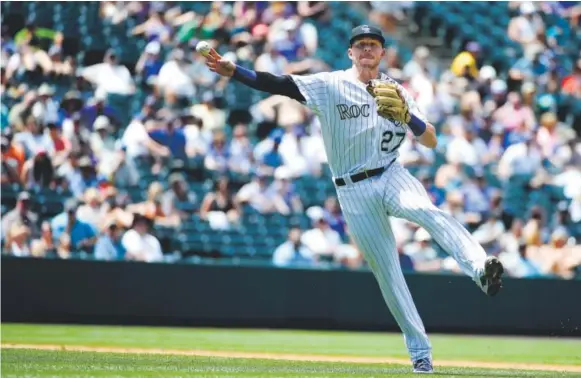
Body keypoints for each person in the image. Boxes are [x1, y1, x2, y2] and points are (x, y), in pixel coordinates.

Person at [201, 24, 504, 373]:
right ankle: (420, 354)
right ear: (350, 52)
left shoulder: (397, 90)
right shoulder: (330, 85)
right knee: (388, 274)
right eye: (360, 45)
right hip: (352, 189)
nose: (366, 50)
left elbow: (432, 140)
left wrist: (409, 118)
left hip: (391, 173)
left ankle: (480, 269)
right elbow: (280, 83)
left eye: (373, 45)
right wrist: (234, 71)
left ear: (383, 52)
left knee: (426, 209)